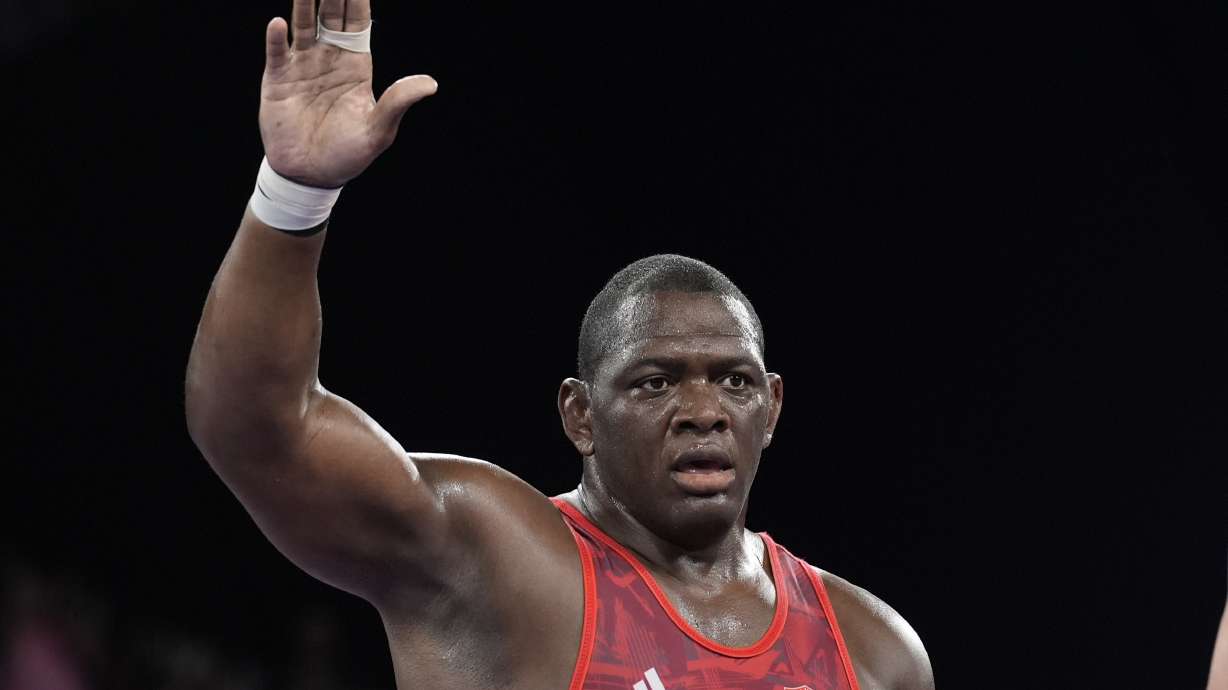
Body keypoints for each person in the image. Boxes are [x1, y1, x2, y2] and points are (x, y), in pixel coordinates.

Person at [184, 1, 935, 688]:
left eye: (734, 382)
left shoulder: (873, 653)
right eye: (655, 382)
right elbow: (260, 430)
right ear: (580, 416)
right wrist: (293, 193)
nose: (703, 410)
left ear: (771, 407)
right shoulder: (491, 559)